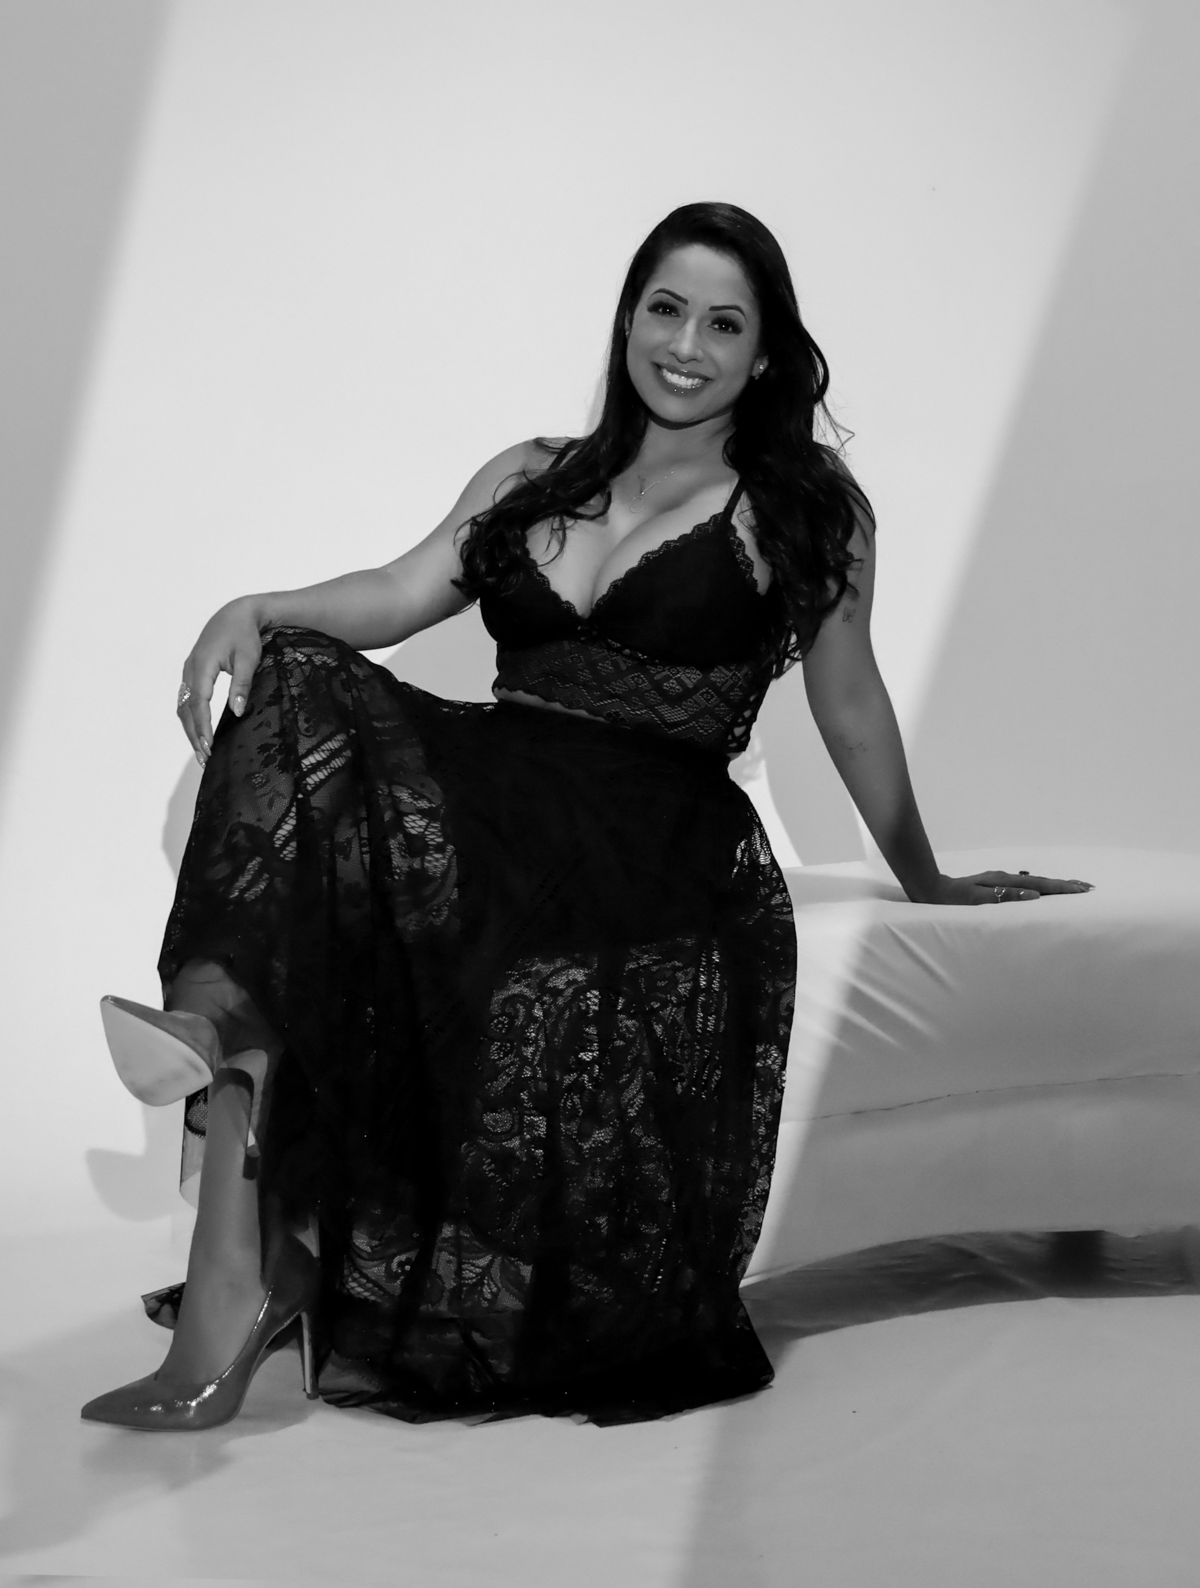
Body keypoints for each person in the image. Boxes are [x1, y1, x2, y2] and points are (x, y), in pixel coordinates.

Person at [81, 202, 1091, 1431]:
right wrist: (255, 604)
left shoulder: (807, 508)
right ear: (627, 318)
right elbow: (400, 591)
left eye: (724, 324)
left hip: (650, 835)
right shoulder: (535, 473)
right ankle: (210, 1026)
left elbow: (850, 703)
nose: (686, 345)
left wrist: (924, 875)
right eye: (665, 309)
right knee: (293, 669)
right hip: (502, 784)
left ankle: (245, 1229)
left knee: (344, 859)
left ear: (764, 356)